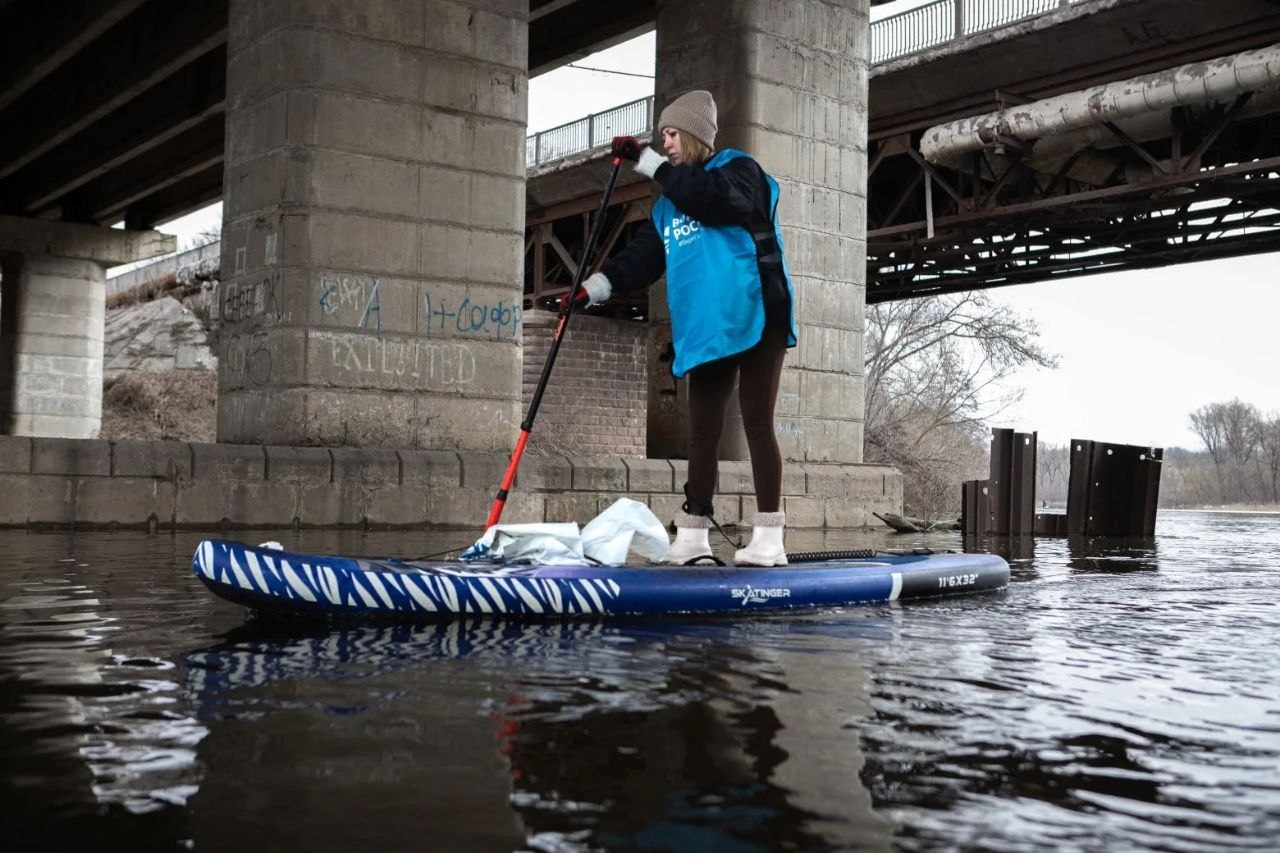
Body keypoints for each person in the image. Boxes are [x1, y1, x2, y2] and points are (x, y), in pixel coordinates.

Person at [572, 89, 798, 566]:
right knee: (702, 431)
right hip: (709, 327)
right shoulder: (667, 208)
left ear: (695, 135)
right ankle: (693, 536)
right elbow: (641, 259)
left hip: (758, 312)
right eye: (662, 137)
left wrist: (647, 162)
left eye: (673, 134)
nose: (667, 143)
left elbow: (711, 200)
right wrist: (595, 287)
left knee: (757, 421)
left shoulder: (739, 172)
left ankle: (769, 537)